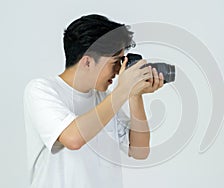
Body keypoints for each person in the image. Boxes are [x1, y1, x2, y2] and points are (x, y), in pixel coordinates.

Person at [23, 14, 164, 188]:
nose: (119, 70)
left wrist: (135, 94)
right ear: (88, 62)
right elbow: (73, 138)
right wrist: (122, 91)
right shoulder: (41, 90)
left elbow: (140, 151)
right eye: (115, 62)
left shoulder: (104, 99)